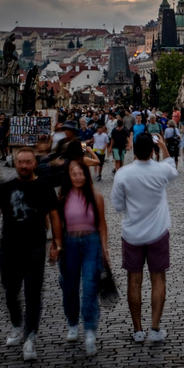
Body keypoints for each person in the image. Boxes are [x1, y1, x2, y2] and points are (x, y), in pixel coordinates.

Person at [110, 134, 177, 343]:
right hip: (157, 233)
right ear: (152, 151)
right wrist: (164, 147)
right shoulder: (161, 170)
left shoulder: (123, 174)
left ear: (133, 151)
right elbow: (172, 167)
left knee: (134, 280)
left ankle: (138, 330)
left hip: (132, 235)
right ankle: (155, 329)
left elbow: (118, 206)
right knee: (158, 279)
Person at [0, 147, 63, 361]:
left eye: (28, 162)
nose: (24, 166)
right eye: (20, 162)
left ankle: (30, 337)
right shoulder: (6, 188)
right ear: (15, 164)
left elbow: (54, 216)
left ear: (34, 164)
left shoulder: (44, 187)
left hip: (35, 248)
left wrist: (56, 243)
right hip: (9, 247)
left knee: (33, 294)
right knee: (10, 291)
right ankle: (17, 324)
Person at [58, 158, 110, 356]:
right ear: (69, 177)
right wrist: (56, 244)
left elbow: (102, 224)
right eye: (74, 174)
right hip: (69, 243)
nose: (78, 177)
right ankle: (72, 322)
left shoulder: (96, 197)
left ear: (86, 175)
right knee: (69, 286)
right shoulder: (63, 197)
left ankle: (89, 330)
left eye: (81, 173)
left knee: (90, 286)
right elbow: (57, 223)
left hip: (91, 243)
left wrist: (104, 248)